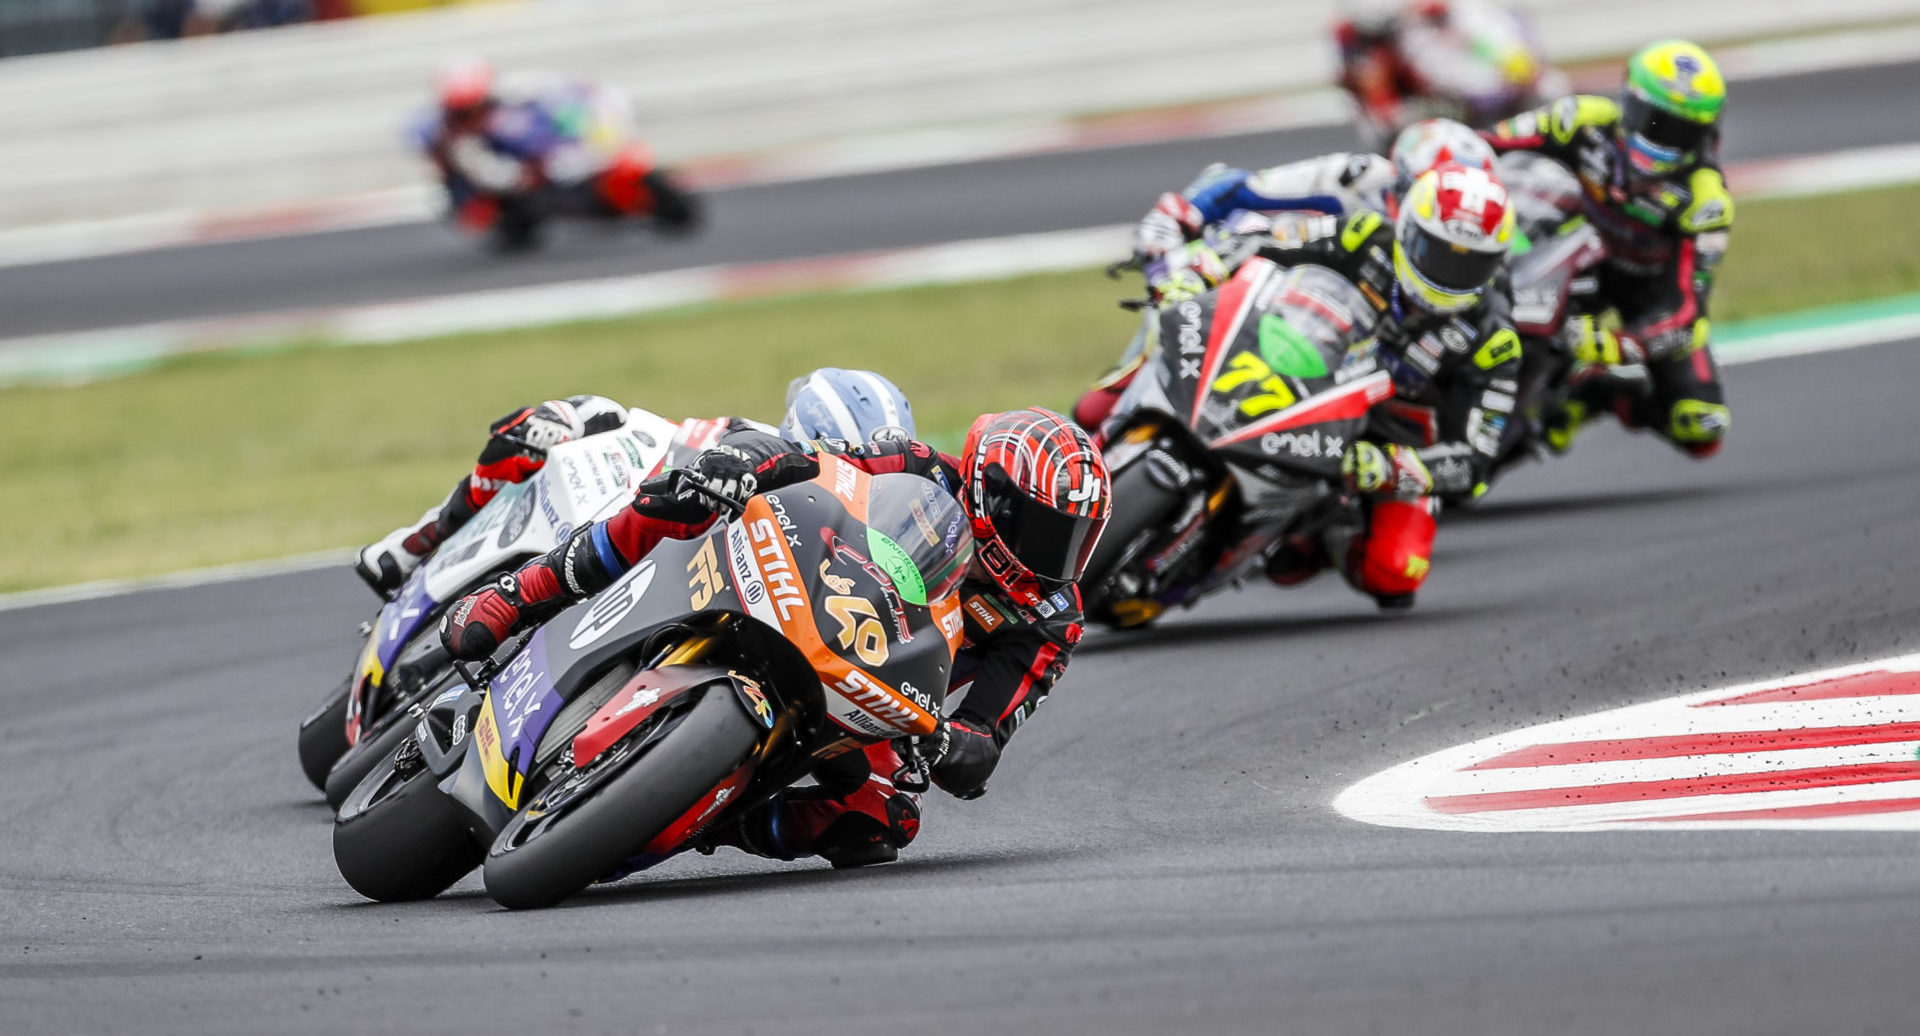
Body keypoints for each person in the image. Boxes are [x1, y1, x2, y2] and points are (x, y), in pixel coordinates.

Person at [439, 409, 1110, 867]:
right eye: (1047, 531)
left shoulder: (1051, 617)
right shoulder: (921, 466)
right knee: (680, 496)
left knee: (880, 825)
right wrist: (745, 463)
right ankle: (520, 594)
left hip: (877, 697)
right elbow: (813, 460)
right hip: (798, 587)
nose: (1058, 556)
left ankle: (702, 815)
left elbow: (986, 738)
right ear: (993, 496)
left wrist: (949, 745)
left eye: (1077, 541)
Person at [353, 368, 914, 596]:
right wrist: (577, 421)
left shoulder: (847, 527)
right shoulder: (750, 437)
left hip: (675, 589)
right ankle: (421, 539)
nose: (849, 466)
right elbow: (653, 431)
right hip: (616, 509)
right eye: (839, 451)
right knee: (551, 424)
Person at [1480, 39, 1733, 457]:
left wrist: (1625, 343)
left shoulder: (1705, 202)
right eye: (1651, 122)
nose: (1661, 140)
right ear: (1628, 104)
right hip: (1565, 251)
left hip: (1645, 290)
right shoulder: (1579, 118)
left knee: (1701, 425)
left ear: (1705, 137)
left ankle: (1595, 393)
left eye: (1678, 131)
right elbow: (1489, 143)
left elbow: (1687, 308)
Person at [411, 59, 668, 245]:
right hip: (515, 184)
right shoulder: (447, 135)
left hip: (560, 157)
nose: (470, 114)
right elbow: (476, 175)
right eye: (463, 110)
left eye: (473, 106)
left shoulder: (516, 103)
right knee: (481, 207)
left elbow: (565, 103)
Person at [1336, 0, 1560, 150]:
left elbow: (1485, 39)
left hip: (1482, 96)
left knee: (1544, 90)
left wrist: (1509, 63)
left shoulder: (1435, 14)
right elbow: (1378, 117)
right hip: (1425, 112)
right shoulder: (1351, 39)